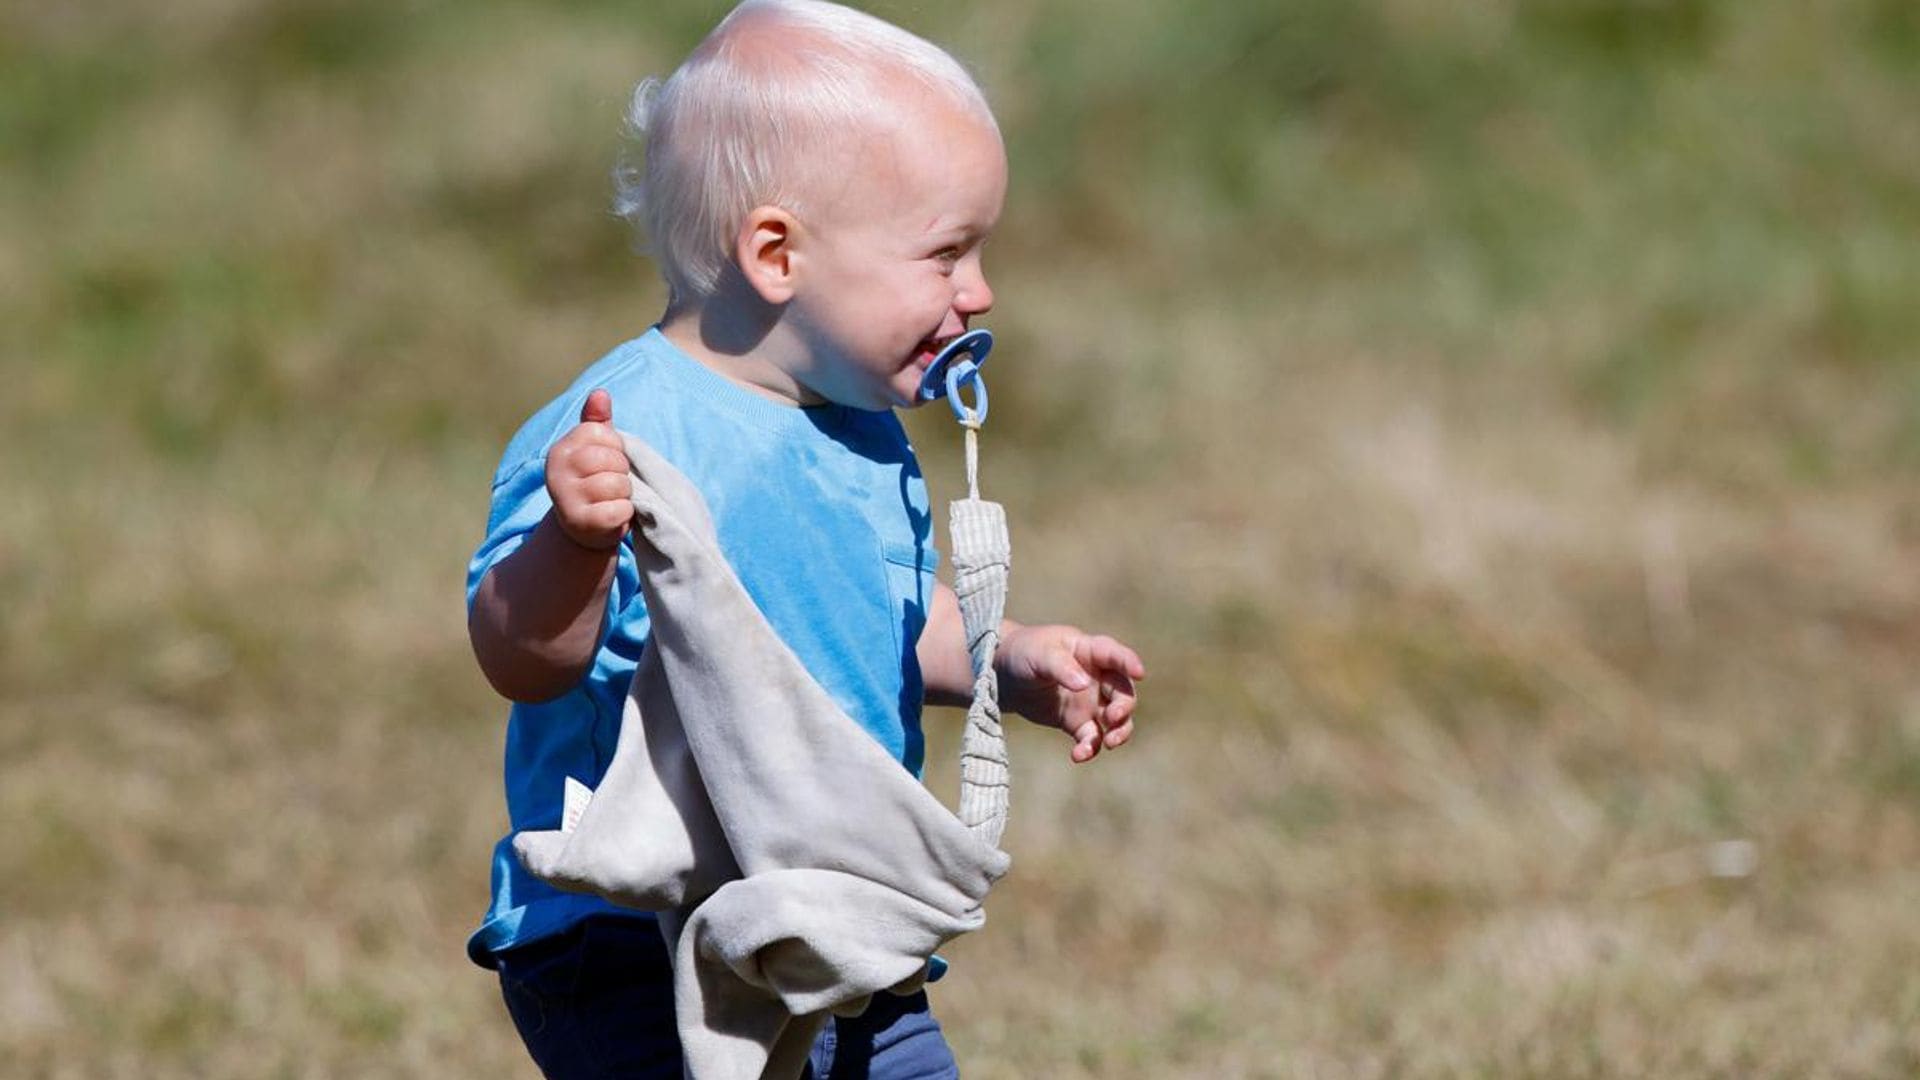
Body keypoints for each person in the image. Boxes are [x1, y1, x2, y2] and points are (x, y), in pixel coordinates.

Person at [463, 2, 1145, 1075]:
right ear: (777, 252)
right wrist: (573, 546)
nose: (980, 291)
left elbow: (889, 628)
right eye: (946, 254)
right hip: (635, 934)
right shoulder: (618, 433)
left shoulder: (863, 431)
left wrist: (1010, 661)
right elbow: (522, 661)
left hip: (833, 905)